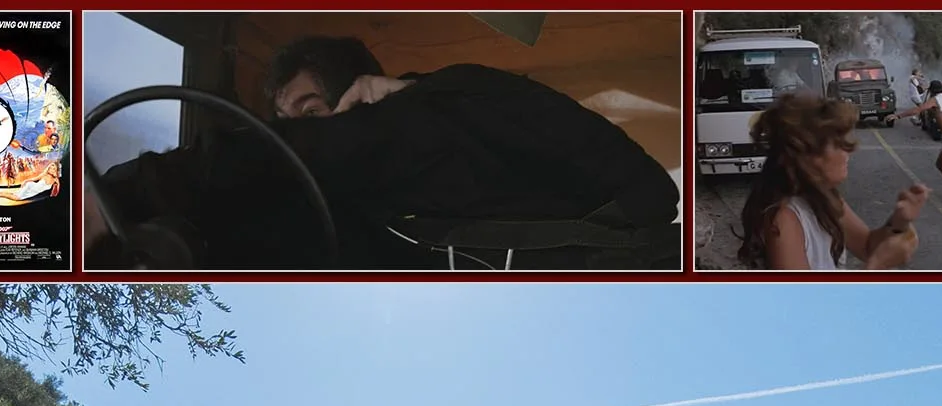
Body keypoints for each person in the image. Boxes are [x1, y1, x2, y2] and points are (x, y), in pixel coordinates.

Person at [86, 36, 680, 269]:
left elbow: (340, 150)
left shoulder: (450, 105)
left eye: (310, 116)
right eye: (284, 126)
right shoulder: (379, 212)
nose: (297, 140)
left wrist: (128, 187)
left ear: (361, 89)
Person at [737, 95, 929, 270]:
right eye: (839, 145)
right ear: (806, 154)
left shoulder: (823, 198)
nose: (849, 152)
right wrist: (877, 266)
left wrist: (898, 223)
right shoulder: (783, 219)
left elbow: (867, 246)